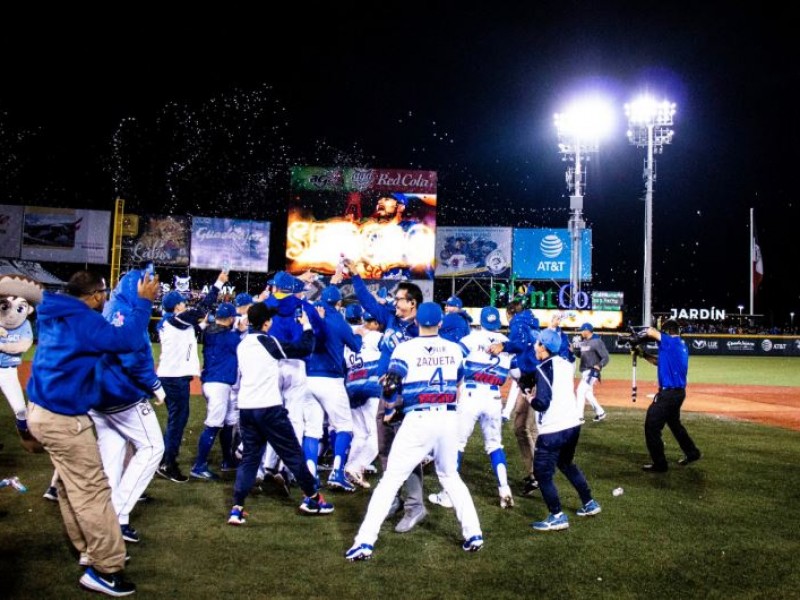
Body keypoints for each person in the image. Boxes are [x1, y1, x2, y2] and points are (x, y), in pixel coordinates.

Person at [26, 269, 159, 596]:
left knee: (73, 488)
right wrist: (143, 303)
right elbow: (126, 341)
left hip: (40, 411)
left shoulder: (51, 309)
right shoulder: (85, 322)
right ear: (97, 295)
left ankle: (89, 549)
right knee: (93, 491)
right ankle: (105, 569)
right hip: (63, 420)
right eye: (102, 292)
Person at [345, 302, 483, 561]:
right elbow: (459, 383)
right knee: (450, 476)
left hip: (419, 419)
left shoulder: (405, 348)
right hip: (448, 418)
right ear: (440, 323)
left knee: (390, 481)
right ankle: (474, 533)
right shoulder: (455, 349)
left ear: (417, 322)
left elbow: (391, 384)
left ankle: (364, 542)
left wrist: (392, 402)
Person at [228, 302, 334, 525]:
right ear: (266, 323)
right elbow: (304, 348)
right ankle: (313, 499)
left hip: (246, 410)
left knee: (249, 459)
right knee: (293, 453)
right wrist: (307, 327)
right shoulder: (267, 341)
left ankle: (236, 509)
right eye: (269, 319)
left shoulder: (243, 343)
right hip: (269, 409)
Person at [344, 257, 427, 533]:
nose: (395, 301)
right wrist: (355, 275)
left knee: (407, 452)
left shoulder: (420, 329)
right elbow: (367, 302)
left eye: (400, 298)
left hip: (406, 398)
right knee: (385, 450)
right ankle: (393, 498)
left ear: (412, 303)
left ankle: (415, 507)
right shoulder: (391, 318)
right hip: (384, 394)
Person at [90, 268, 167, 547]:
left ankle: (103, 519)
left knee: (112, 458)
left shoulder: (113, 306)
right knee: (153, 448)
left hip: (98, 395)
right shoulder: (130, 312)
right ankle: (119, 514)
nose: (155, 288)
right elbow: (133, 356)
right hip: (120, 395)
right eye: (151, 284)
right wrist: (156, 387)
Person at [429, 306, 515, 509]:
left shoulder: (471, 338)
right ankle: (504, 489)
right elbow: (516, 373)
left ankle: (449, 495)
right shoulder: (508, 344)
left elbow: (453, 360)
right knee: (495, 445)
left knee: (457, 444)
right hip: (494, 396)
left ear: (481, 321)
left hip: (470, 394)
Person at [527, 328, 601, 532]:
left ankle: (557, 515)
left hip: (553, 429)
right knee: (566, 464)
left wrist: (530, 399)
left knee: (542, 474)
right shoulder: (567, 363)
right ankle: (589, 503)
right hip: (573, 425)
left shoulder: (543, 367)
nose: (535, 345)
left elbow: (542, 403)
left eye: (537, 343)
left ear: (543, 347)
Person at [155, 271, 226, 483]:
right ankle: (167, 463)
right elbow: (201, 308)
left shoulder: (173, 321)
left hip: (174, 378)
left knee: (177, 420)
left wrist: (202, 325)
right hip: (174, 379)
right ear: (176, 306)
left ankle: (165, 459)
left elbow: (194, 327)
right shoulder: (176, 319)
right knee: (178, 421)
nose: (185, 305)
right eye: (183, 303)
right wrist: (218, 285)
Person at [305, 285, 363, 492]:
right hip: (331, 380)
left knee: (311, 430)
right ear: (339, 303)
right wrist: (359, 335)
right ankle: (337, 472)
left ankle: (310, 475)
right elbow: (356, 347)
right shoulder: (339, 321)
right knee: (344, 427)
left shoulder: (312, 315)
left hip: (308, 379)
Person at [488, 299, 540, 497]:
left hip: (532, 380)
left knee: (522, 428)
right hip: (534, 379)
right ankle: (536, 473)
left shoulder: (518, 322)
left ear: (509, 313)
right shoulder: (530, 322)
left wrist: (505, 345)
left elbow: (522, 343)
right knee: (529, 428)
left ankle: (537, 476)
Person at [637, 319, 702, 472]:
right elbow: (659, 362)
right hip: (678, 394)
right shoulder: (679, 345)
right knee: (674, 424)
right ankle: (692, 452)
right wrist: (644, 354)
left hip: (668, 394)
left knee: (651, 426)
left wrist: (635, 338)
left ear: (666, 332)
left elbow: (651, 332)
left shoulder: (670, 342)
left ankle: (660, 464)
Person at [191, 302, 241, 480]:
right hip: (218, 384)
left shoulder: (210, 332)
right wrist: (241, 331)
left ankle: (228, 460)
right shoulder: (230, 337)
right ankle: (199, 465)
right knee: (213, 425)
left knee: (228, 422)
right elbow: (239, 341)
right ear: (230, 318)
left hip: (212, 382)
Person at [343, 305, 382, 488]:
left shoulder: (350, 335)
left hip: (351, 386)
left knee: (359, 434)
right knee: (376, 434)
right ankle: (356, 467)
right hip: (370, 386)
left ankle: (347, 471)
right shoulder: (374, 335)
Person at [572, 322, 609, 422]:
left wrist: (600, 365)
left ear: (587, 331)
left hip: (592, 372)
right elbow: (581, 355)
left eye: (582, 330)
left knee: (580, 391)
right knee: (588, 394)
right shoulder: (583, 341)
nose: (581, 332)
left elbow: (606, 357)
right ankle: (600, 412)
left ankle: (579, 417)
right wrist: (574, 349)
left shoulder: (597, 341)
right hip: (584, 371)